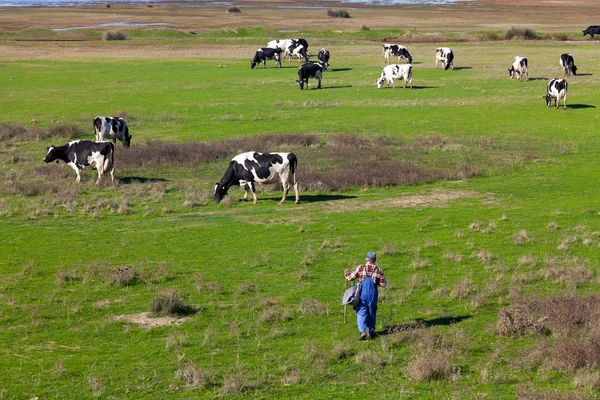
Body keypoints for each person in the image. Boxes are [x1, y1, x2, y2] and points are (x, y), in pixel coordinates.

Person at [344, 251, 387, 340]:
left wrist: (347, 273)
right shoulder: (379, 270)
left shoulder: (360, 267)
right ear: (374, 260)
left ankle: (362, 332)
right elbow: (383, 285)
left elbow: (350, 278)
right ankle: (371, 331)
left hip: (362, 293)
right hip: (373, 294)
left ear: (367, 259)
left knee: (361, 311)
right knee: (372, 311)